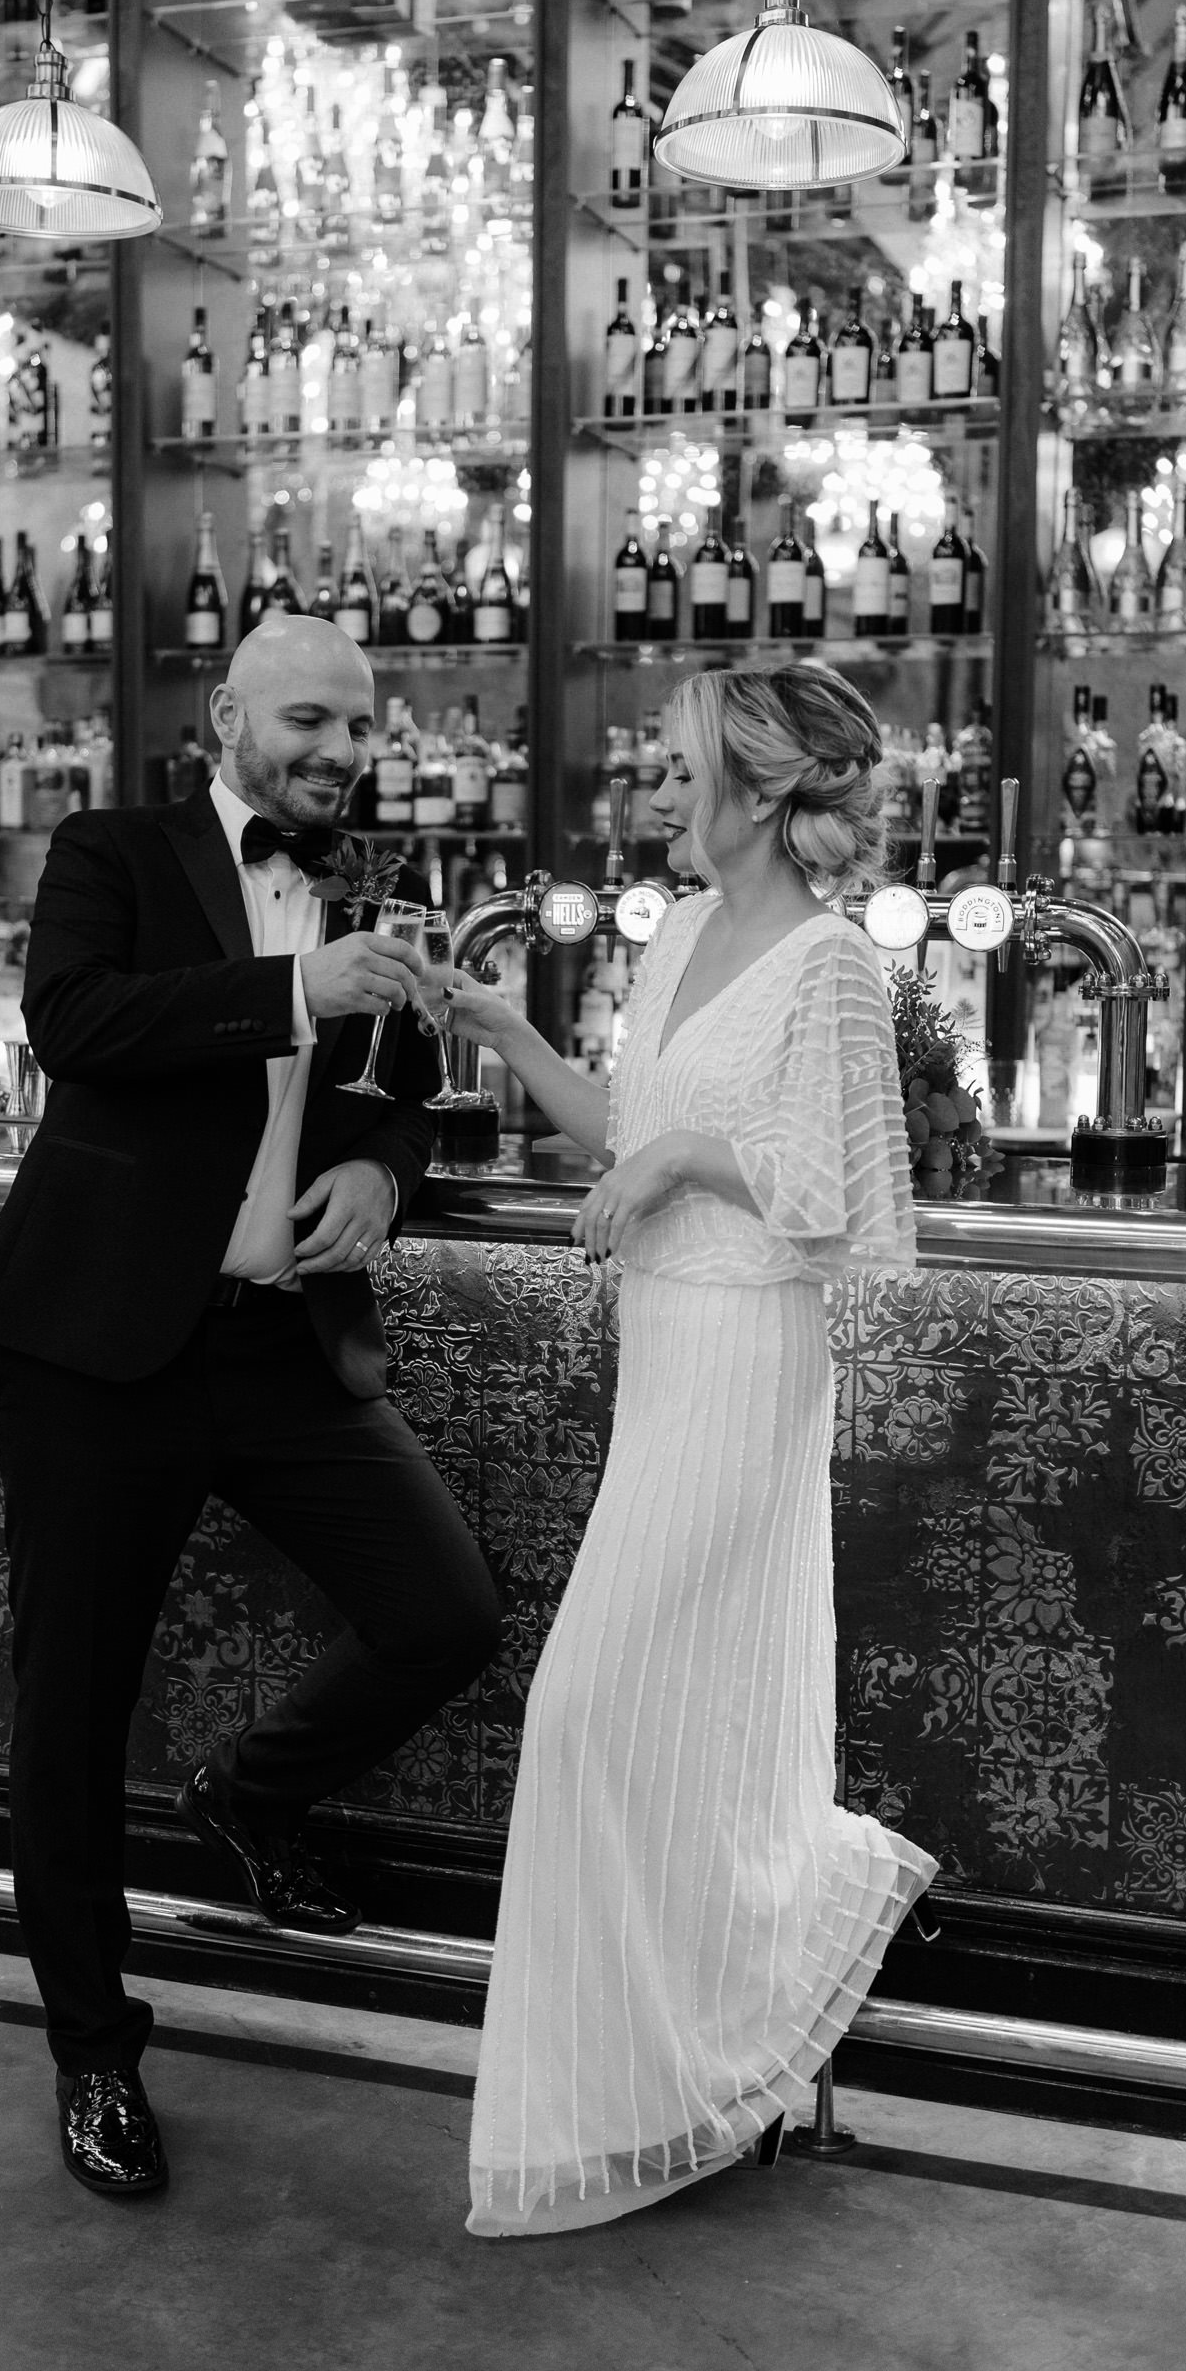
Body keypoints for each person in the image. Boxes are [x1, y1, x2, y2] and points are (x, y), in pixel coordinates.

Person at [0, 615, 499, 2201]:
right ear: (228, 716)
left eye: (361, 728)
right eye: (312, 721)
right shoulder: (111, 851)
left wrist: (381, 1170)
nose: (342, 753)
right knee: (72, 1711)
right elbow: (76, 1024)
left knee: (445, 1611)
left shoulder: (378, 883)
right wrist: (291, 987)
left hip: (280, 1352)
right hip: (96, 1347)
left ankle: (248, 1796)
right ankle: (94, 2052)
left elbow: (406, 1088)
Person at [448, 661, 936, 2239]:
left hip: (745, 1359)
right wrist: (508, 1034)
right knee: (681, 1720)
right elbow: (625, 1123)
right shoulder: (673, 938)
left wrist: (677, 1156)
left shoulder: (833, 961)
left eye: (678, 767)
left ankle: (723, 2022)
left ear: (762, 787)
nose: (653, 789)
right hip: (661, 1355)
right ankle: (666, 2090)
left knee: (590, 1708)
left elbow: (833, 1189)